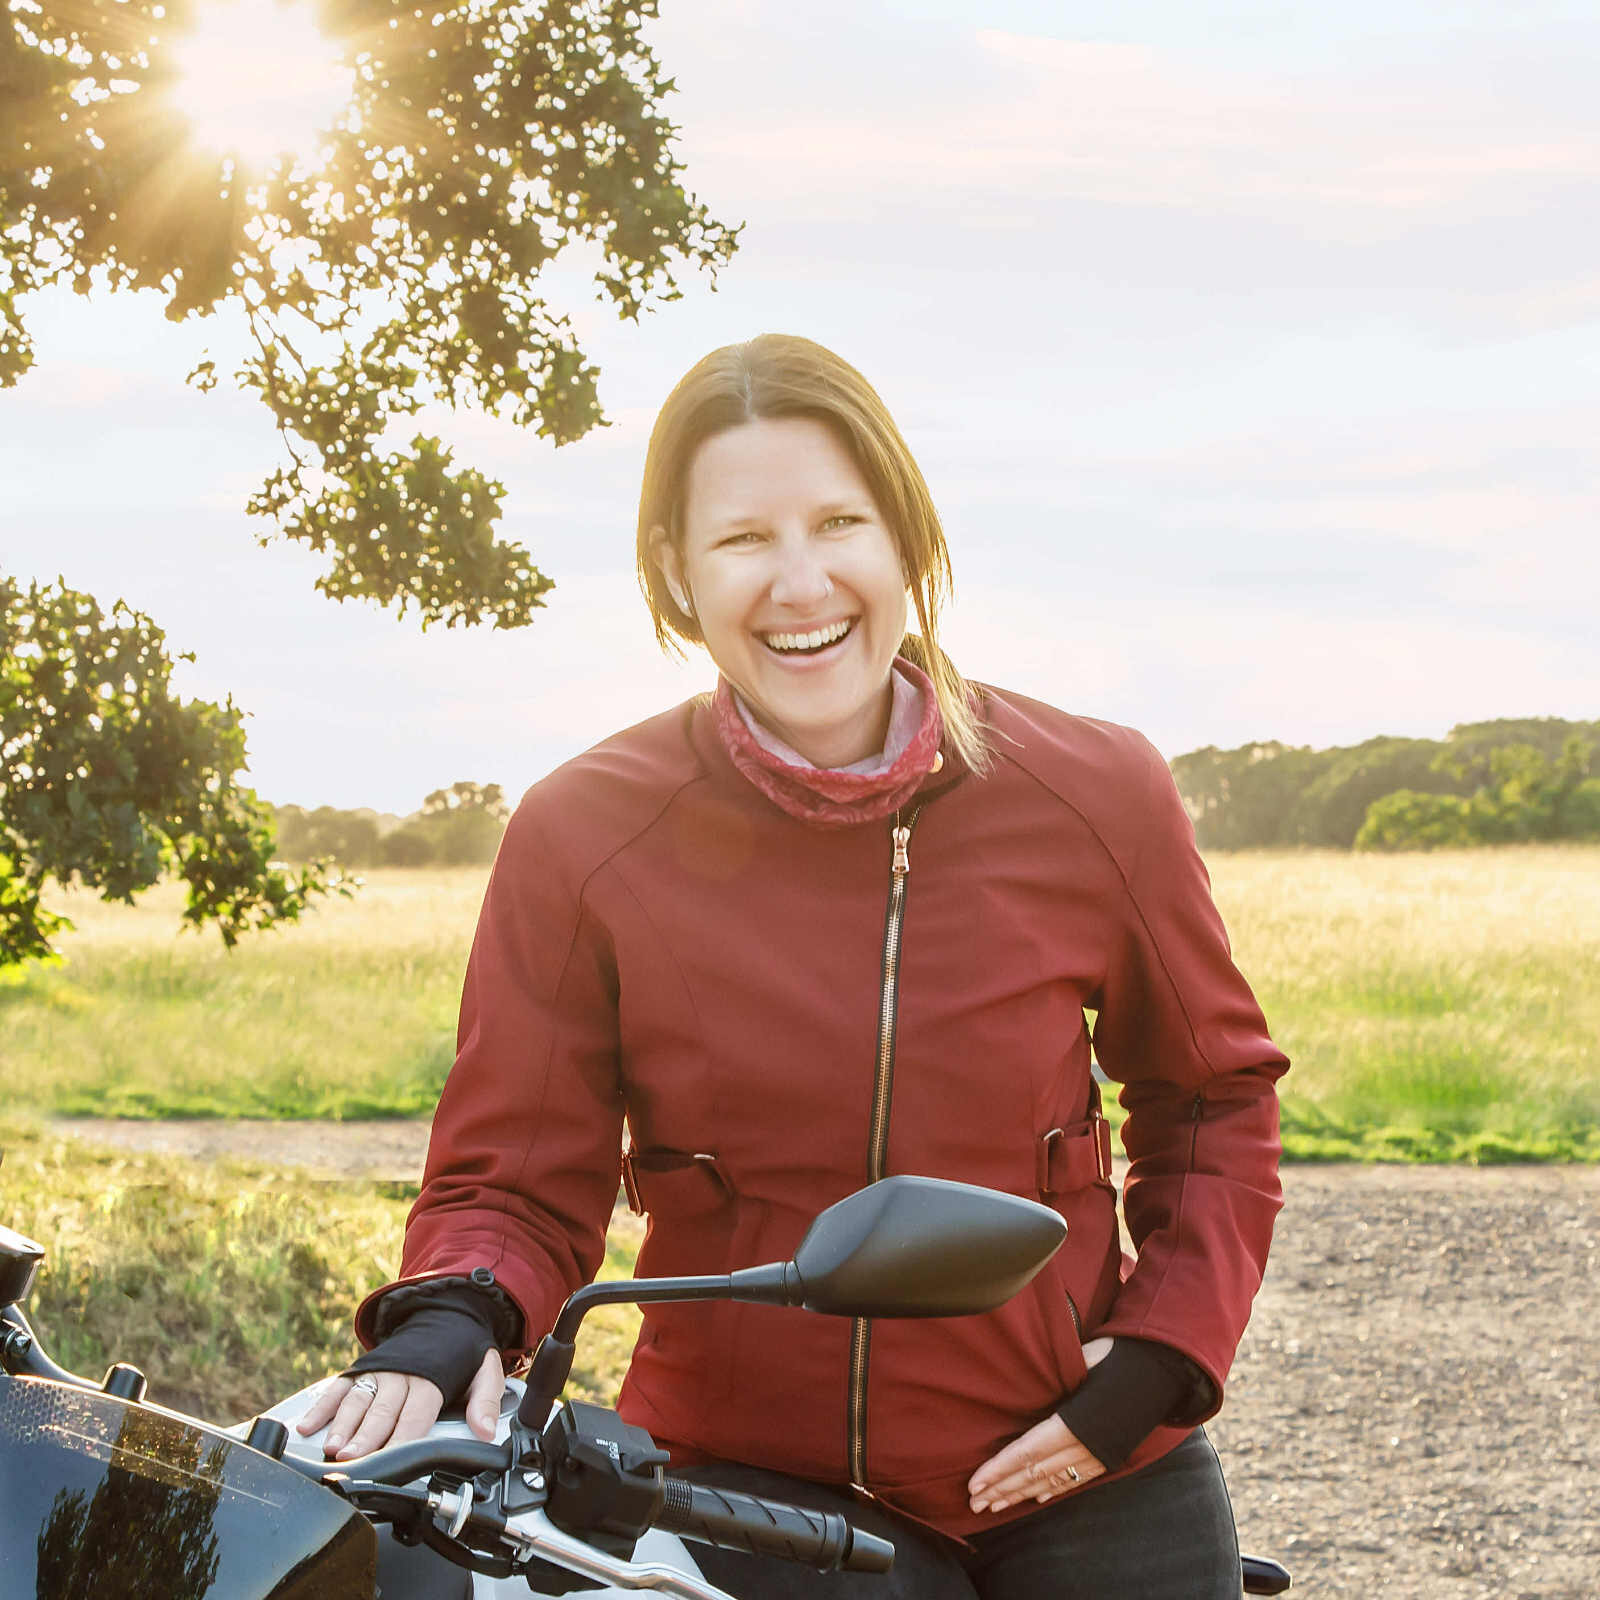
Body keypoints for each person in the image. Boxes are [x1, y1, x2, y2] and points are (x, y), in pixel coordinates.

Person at [297, 334, 1289, 1597]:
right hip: (733, 1485)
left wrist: (1159, 1356)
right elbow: (518, 1173)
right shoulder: (584, 834)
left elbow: (1210, 1097)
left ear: (905, 537)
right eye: (743, 538)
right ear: (675, 568)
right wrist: (448, 1319)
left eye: (839, 522)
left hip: (1088, 1466)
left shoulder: (1096, 792)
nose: (802, 581)